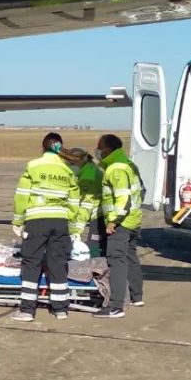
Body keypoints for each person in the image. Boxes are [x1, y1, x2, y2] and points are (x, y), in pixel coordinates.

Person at [10, 133, 81, 322]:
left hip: (37, 220)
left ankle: (27, 310)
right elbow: (74, 202)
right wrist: (73, 229)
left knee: (31, 262)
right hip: (60, 221)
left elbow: (22, 196)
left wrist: (18, 221)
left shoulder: (33, 166)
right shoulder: (68, 170)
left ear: (43, 147)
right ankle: (60, 309)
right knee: (57, 262)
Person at [94, 134, 145, 318]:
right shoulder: (127, 164)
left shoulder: (116, 169)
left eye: (99, 146)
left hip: (121, 222)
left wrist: (113, 221)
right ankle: (136, 296)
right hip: (133, 220)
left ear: (107, 148)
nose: (97, 150)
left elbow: (123, 197)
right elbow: (141, 191)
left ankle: (115, 306)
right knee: (130, 257)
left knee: (116, 260)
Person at [62, 148, 105, 257]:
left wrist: (77, 231)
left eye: (72, 163)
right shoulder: (88, 169)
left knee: (94, 247)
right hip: (97, 213)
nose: (70, 166)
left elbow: (86, 205)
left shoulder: (88, 176)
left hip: (99, 215)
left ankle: (98, 271)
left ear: (82, 160)